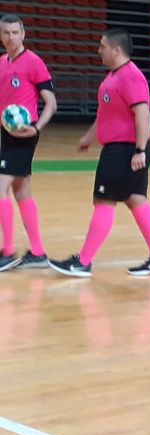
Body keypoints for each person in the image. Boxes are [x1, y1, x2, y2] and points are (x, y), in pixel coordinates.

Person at [49, 29, 150, 277]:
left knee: (104, 201)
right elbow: (105, 115)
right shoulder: (113, 77)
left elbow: (142, 114)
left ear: (116, 50)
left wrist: (139, 150)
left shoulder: (131, 76)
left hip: (125, 150)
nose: (99, 50)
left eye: (102, 46)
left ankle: (83, 262)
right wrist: (89, 137)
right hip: (122, 149)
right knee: (135, 199)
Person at [0, 14, 56, 272]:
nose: (11, 37)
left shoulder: (33, 62)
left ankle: (7, 251)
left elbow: (51, 103)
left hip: (24, 134)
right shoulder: (2, 63)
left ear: (23, 34)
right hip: (6, 133)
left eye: (15, 32)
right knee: (22, 191)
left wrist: (35, 128)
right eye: (6, 33)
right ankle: (38, 252)